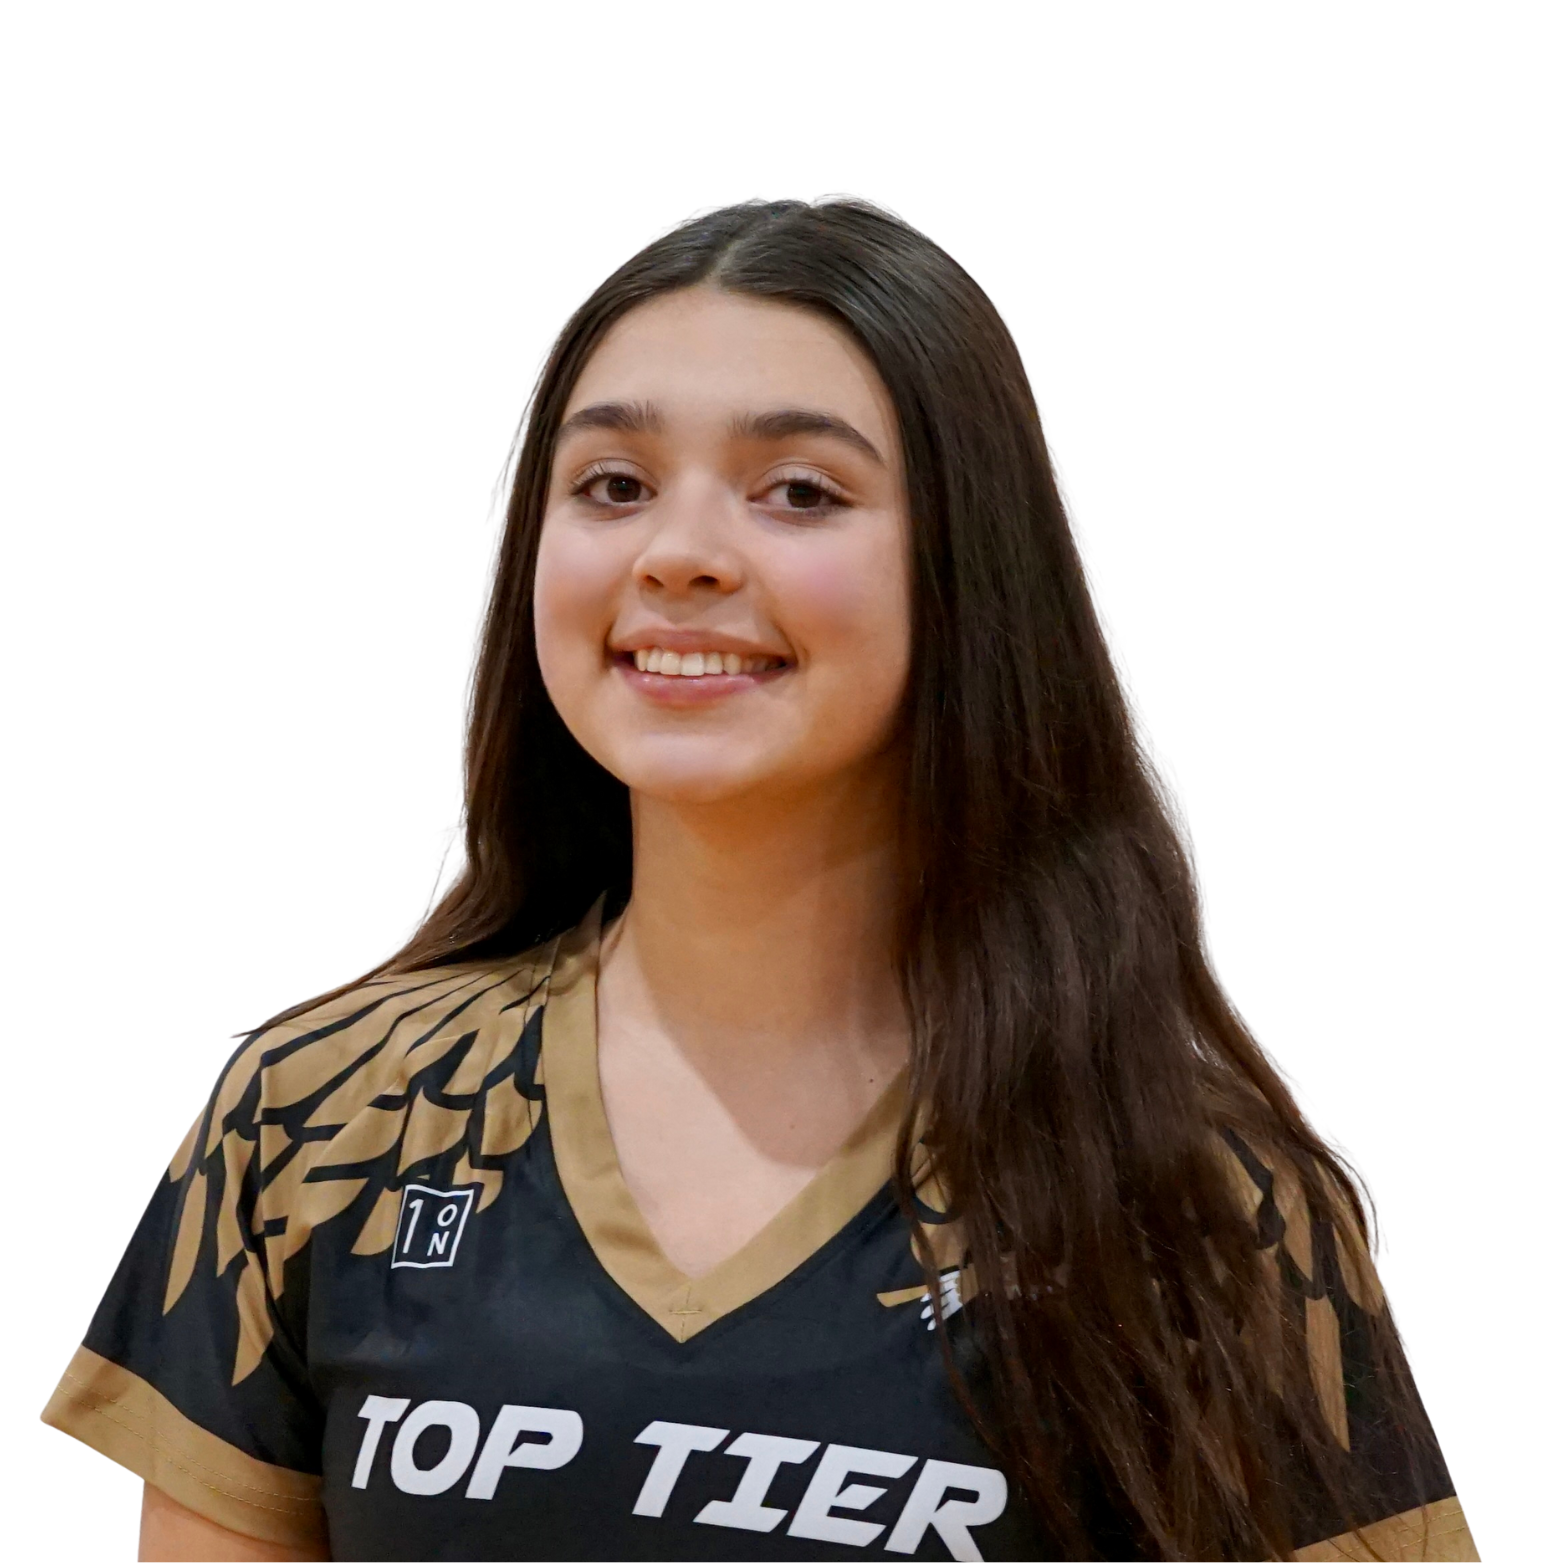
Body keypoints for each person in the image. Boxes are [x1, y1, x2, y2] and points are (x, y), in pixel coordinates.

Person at [42, 199, 1477, 1562]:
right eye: (612, 484)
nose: (677, 553)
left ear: (969, 568)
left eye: (798, 491)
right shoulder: (320, 1120)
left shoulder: (1188, 1201)